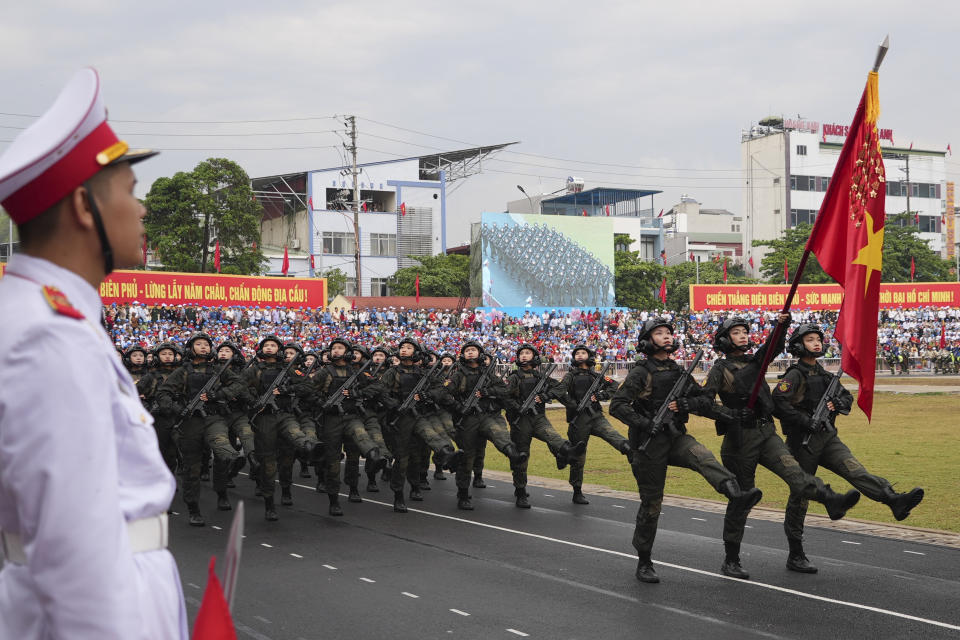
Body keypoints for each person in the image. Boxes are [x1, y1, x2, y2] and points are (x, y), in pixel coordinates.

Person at [0, 68, 187, 637]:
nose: (143, 210)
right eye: (131, 193)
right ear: (85, 207)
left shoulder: (46, 314)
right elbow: (75, 545)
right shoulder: (47, 334)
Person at [700, 315, 861, 580]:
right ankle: (731, 559)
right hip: (740, 439)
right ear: (724, 339)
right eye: (736, 332)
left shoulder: (756, 362)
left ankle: (829, 498)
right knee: (743, 498)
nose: (742, 335)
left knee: (795, 473)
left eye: (744, 332)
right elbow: (704, 402)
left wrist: (782, 325)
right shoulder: (721, 369)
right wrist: (729, 414)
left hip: (766, 431)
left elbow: (771, 348)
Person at [609, 318, 763, 583]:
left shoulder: (679, 372)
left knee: (703, 456)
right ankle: (644, 560)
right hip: (648, 445)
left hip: (675, 436)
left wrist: (685, 404)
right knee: (652, 504)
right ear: (648, 340)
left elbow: (703, 400)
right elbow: (617, 405)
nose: (667, 337)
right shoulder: (640, 372)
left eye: (669, 333)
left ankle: (735, 493)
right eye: (659, 333)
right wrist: (646, 423)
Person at [773, 324, 924, 573]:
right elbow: (778, 400)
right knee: (801, 496)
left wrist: (836, 402)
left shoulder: (825, 375)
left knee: (855, 470)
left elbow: (846, 398)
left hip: (828, 438)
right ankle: (796, 553)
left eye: (818, 339)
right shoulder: (795, 375)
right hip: (804, 441)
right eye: (810, 340)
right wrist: (804, 420)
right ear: (799, 345)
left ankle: (894, 500)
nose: (817, 343)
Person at [504, 344, 586, 508]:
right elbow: (505, 397)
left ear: (534, 357)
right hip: (521, 421)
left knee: (553, 436)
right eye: (521, 353)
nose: (524, 356)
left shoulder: (541, 377)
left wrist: (545, 395)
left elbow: (558, 388)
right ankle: (520, 491)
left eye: (528, 353)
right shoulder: (515, 377)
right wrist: (517, 406)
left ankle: (567, 452)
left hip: (538, 417)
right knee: (522, 456)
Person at [556, 344, 633, 505]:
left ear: (589, 356)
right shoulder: (570, 376)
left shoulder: (596, 376)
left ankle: (629, 451)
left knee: (612, 434)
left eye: (583, 352)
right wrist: (573, 405)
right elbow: (560, 391)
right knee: (579, 456)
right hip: (579, 419)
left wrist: (601, 395)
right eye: (577, 353)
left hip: (596, 415)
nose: (579, 355)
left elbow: (613, 385)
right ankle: (577, 490)